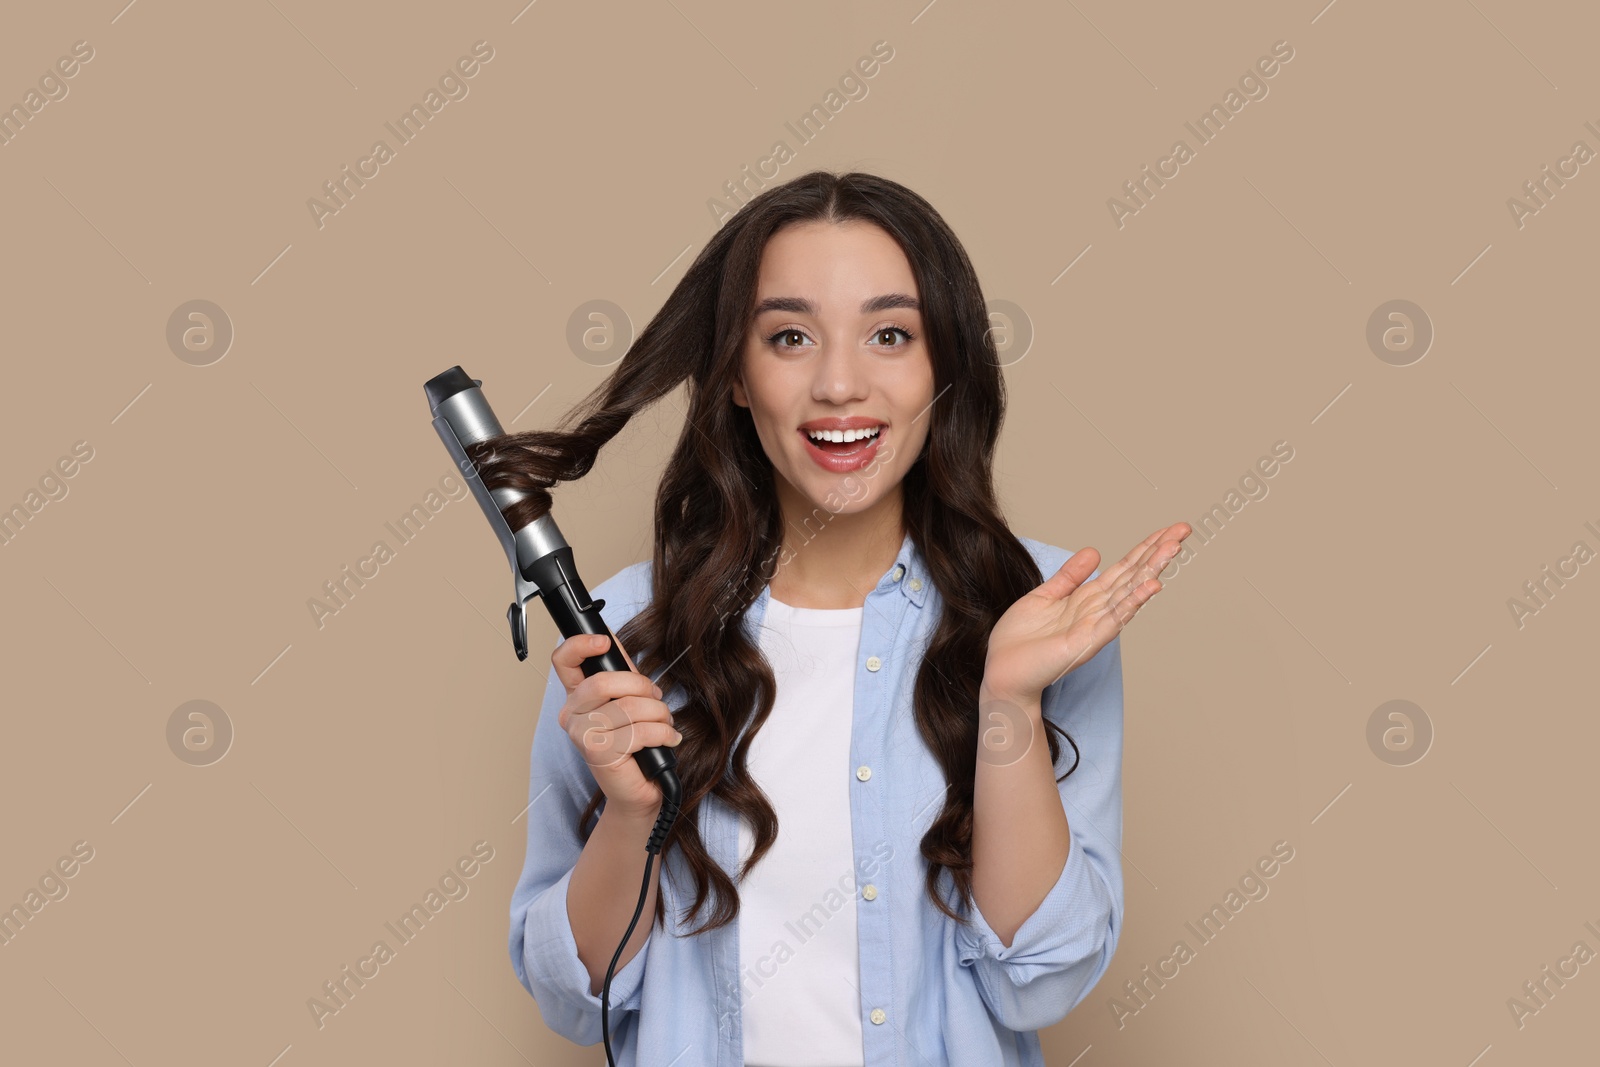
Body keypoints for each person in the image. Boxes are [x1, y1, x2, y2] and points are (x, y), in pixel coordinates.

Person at [496, 169, 1191, 1066]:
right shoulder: (628, 626)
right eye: (789, 337)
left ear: (945, 366)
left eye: (890, 334)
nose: (838, 382)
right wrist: (631, 818)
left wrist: (1010, 702)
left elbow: (1041, 980)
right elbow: (570, 994)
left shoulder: (1041, 612)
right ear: (738, 379)